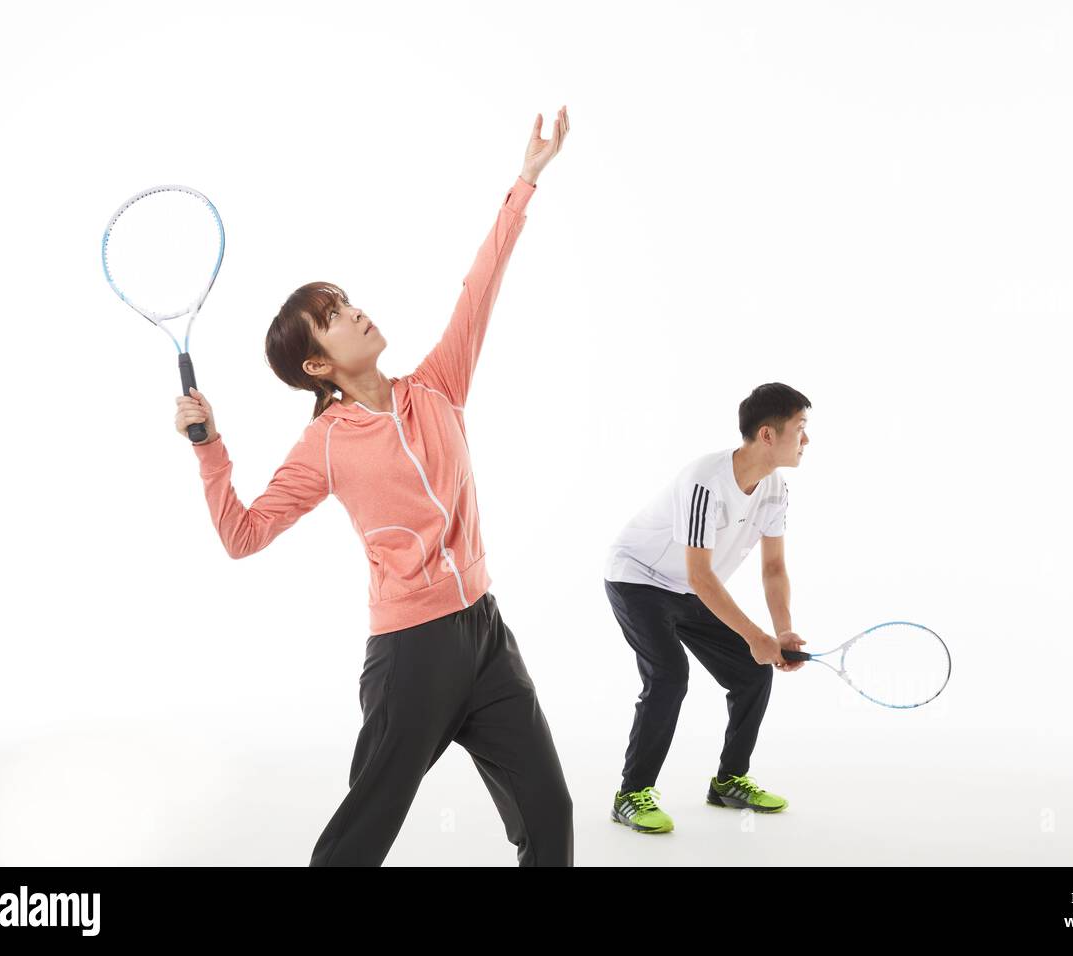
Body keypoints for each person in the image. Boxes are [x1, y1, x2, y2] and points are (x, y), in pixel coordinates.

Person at [174, 107, 573, 866]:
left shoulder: (438, 386)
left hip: (485, 635)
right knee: (362, 836)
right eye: (334, 318)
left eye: (346, 302)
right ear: (317, 367)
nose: (354, 314)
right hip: (412, 655)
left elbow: (480, 286)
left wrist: (526, 178)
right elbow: (242, 535)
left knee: (549, 812)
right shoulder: (325, 446)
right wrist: (210, 449)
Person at [602, 383, 810, 833]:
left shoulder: (775, 490)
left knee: (752, 672)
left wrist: (783, 631)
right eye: (800, 429)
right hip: (638, 579)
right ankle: (631, 795)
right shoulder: (705, 481)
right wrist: (756, 636)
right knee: (669, 675)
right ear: (767, 435)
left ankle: (729, 781)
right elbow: (701, 574)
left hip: (688, 590)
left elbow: (773, 569)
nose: (807, 441)